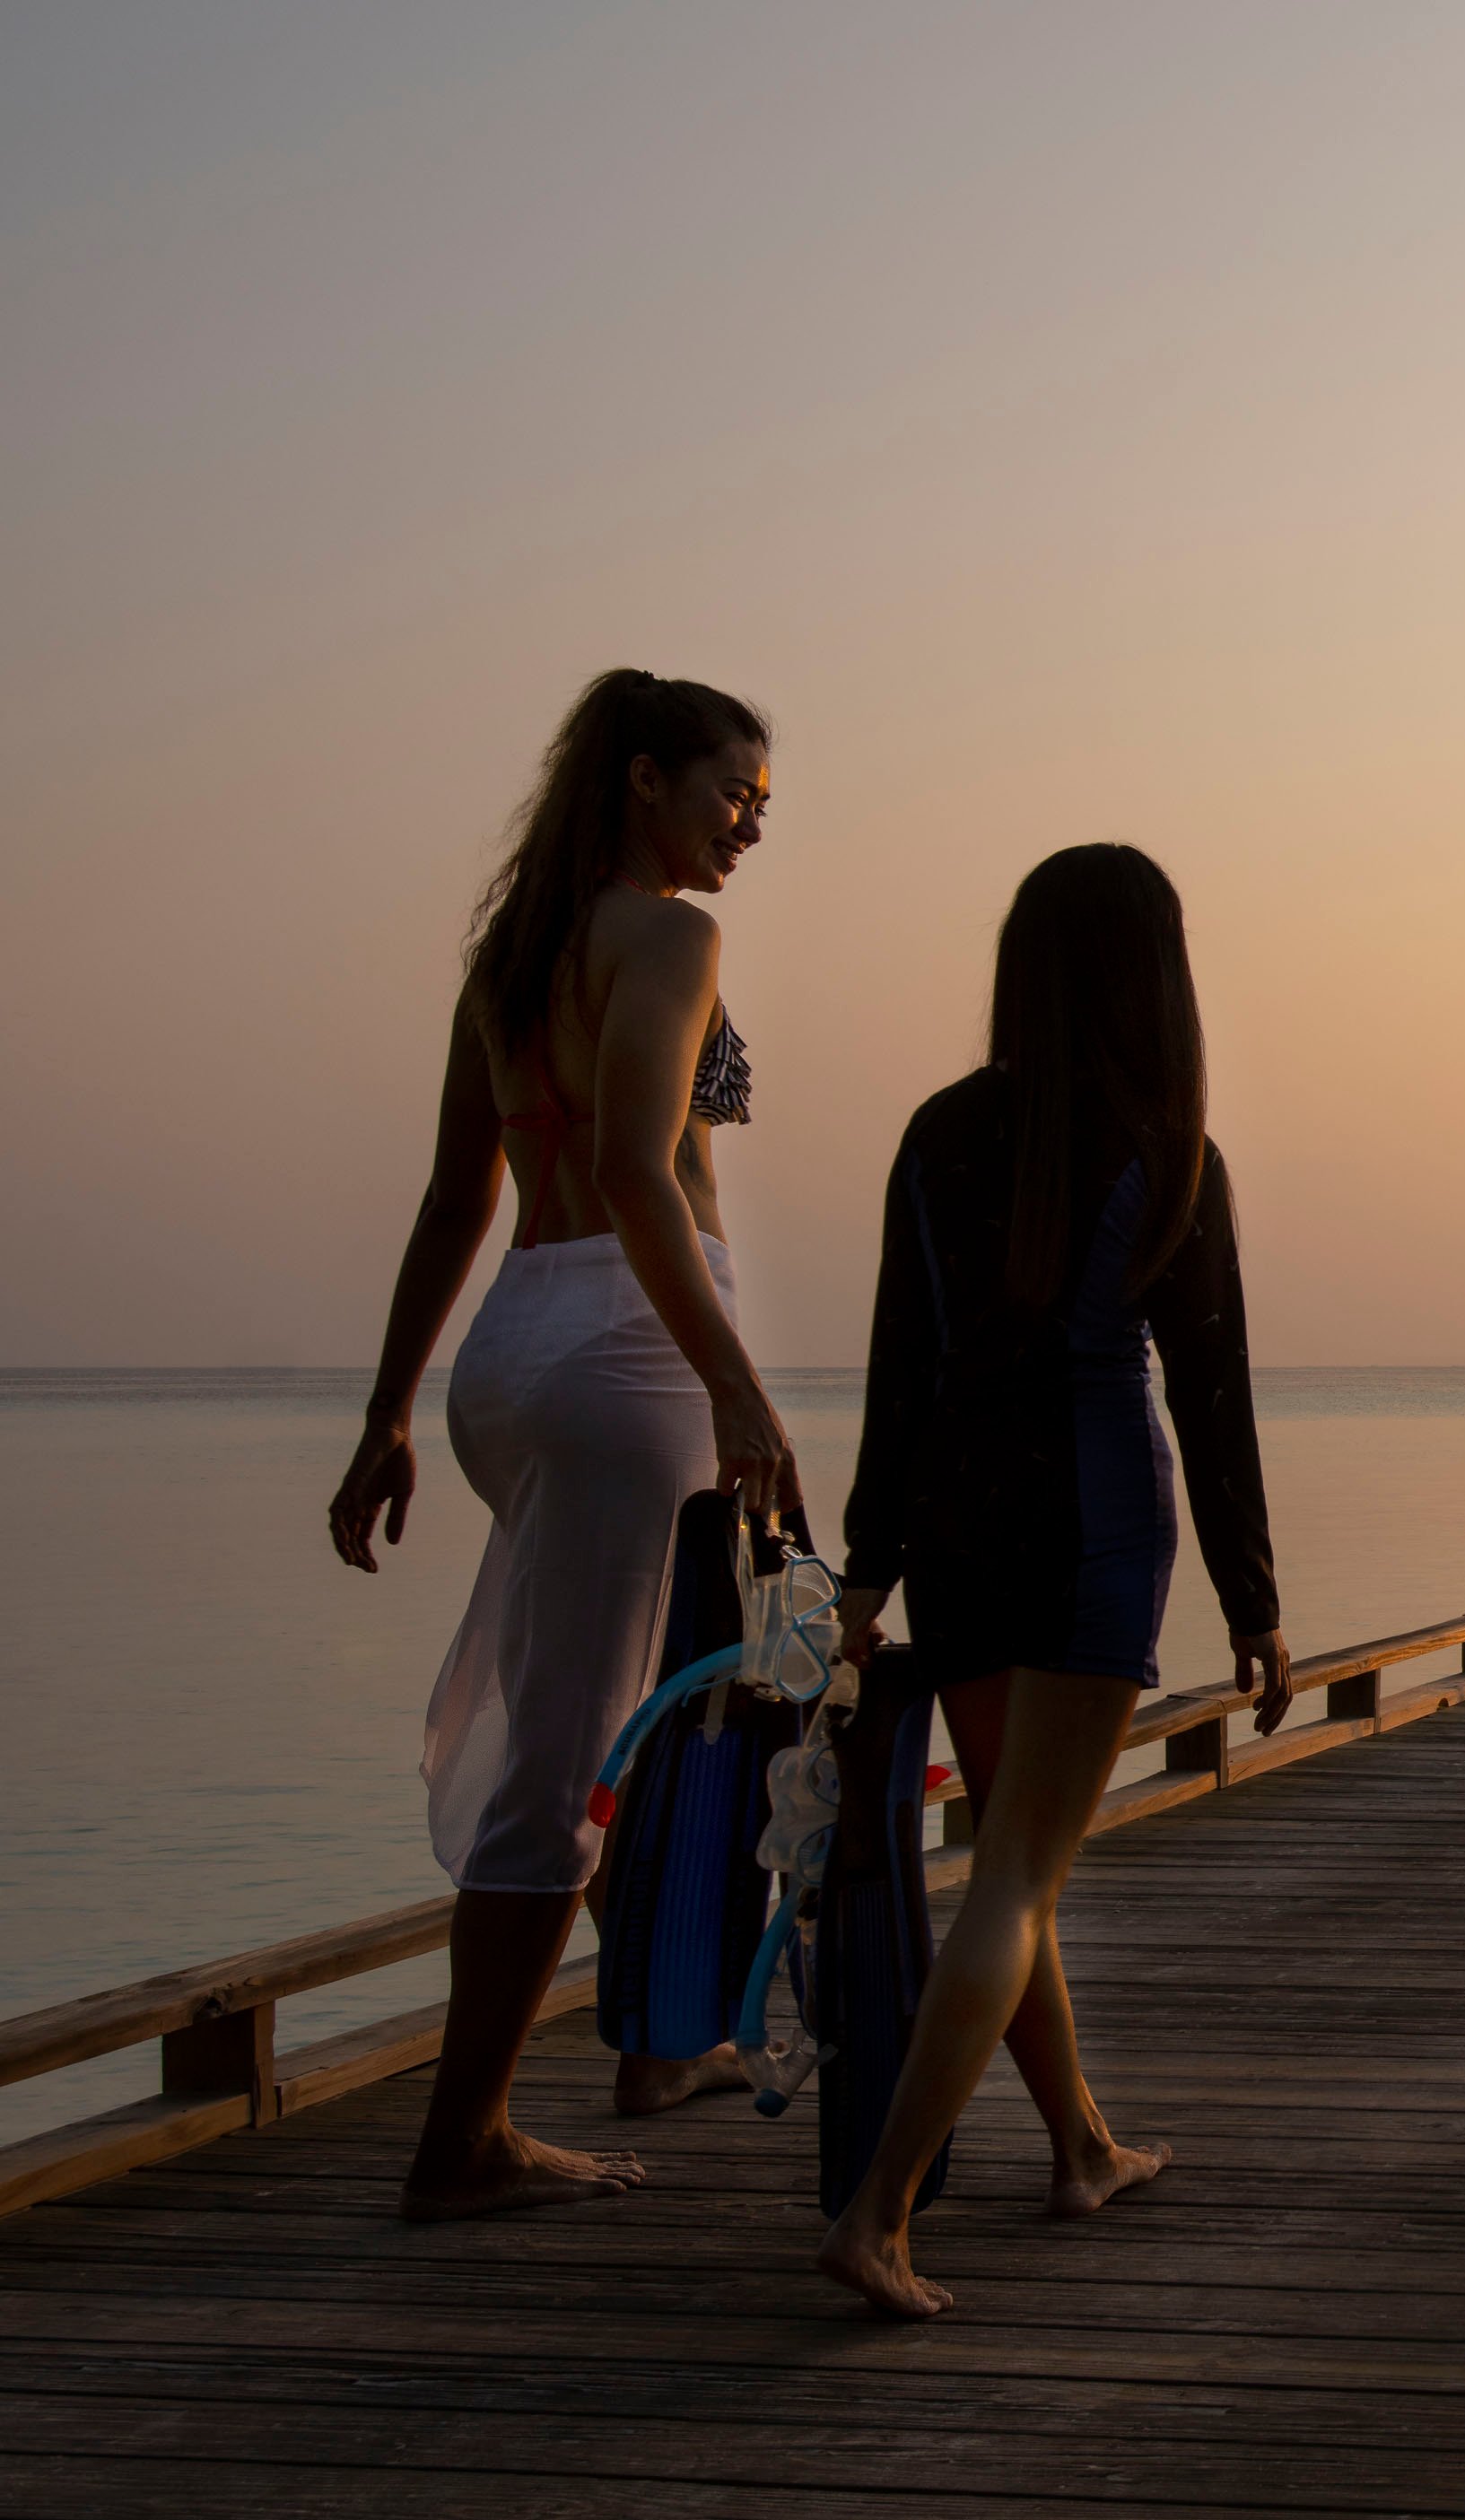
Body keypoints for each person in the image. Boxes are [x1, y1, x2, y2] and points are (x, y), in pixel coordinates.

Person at [327, 668, 797, 2218]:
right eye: (732, 791)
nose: (749, 824)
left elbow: (456, 1201)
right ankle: (464, 2142)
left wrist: (393, 1410)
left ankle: (654, 2028)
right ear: (646, 778)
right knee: (568, 1761)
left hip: (517, 1347)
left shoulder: (512, 956)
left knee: (607, 1721)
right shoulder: (668, 935)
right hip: (626, 1347)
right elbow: (635, 1163)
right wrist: (734, 1380)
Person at [820, 842, 1290, 2318]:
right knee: (1018, 1870)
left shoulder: (937, 1131)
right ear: (1154, 977)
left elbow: (902, 1365)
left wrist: (866, 1566)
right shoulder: (1167, 1150)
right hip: (1093, 1518)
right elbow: (1211, 1396)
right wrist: (1256, 1601)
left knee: (1015, 1871)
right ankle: (878, 2215)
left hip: (957, 1514)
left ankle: (1080, 2144)